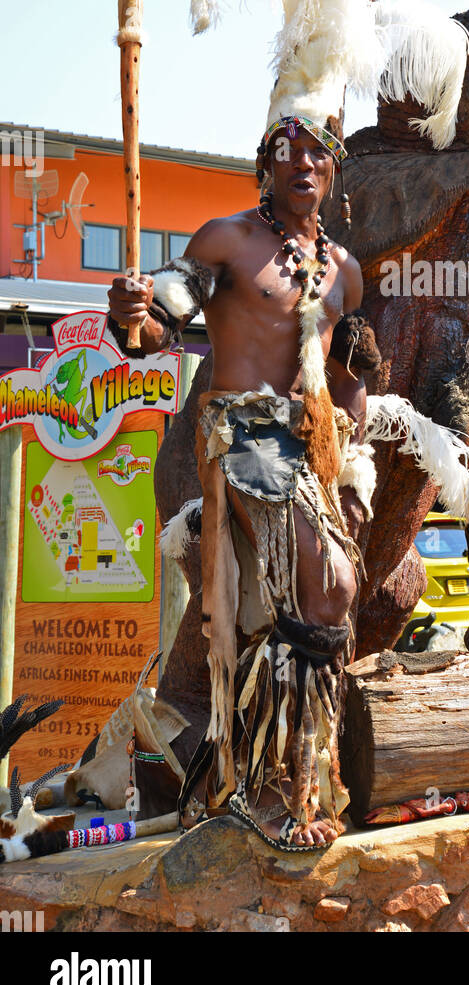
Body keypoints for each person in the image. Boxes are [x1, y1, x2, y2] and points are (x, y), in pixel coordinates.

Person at [108, 115, 372, 850]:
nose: (304, 165)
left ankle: (294, 779)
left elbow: (347, 383)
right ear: (265, 167)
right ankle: (275, 788)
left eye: (319, 154)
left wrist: (352, 468)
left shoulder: (343, 269)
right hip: (240, 438)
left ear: (333, 171)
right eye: (287, 154)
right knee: (328, 588)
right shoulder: (226, 239)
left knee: (323, 599)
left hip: (309, 449)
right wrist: (135, 313)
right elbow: (163, 321)